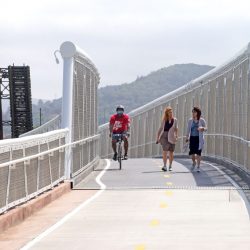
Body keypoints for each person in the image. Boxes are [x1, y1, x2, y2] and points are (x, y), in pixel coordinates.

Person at [185, 107, 207, 172]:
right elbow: (188, 130)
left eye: (194, 112)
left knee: (198, 153)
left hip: (199, 139)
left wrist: (202, 128)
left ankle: (198, 166)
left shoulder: (202, 120)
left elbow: (206, 128)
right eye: (192, 112)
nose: (193, 113)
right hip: (192, 138)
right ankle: (194, 162)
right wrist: (187, 137)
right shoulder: (190, 121)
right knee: (192, 153)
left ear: (197, 113)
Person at [156, 106, 178, 171]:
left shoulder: (175, 120)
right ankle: (165, 165)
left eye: (171, 112)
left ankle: (170, 166)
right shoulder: (164, 120)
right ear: (167, 113)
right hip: (165, 136)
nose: (171, 114)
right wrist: (158, 137)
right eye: (169, 112)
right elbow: (160, 129)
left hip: (172, 136)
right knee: (165, 151)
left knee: (171, 152)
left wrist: (176, 136)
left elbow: (176, 129)